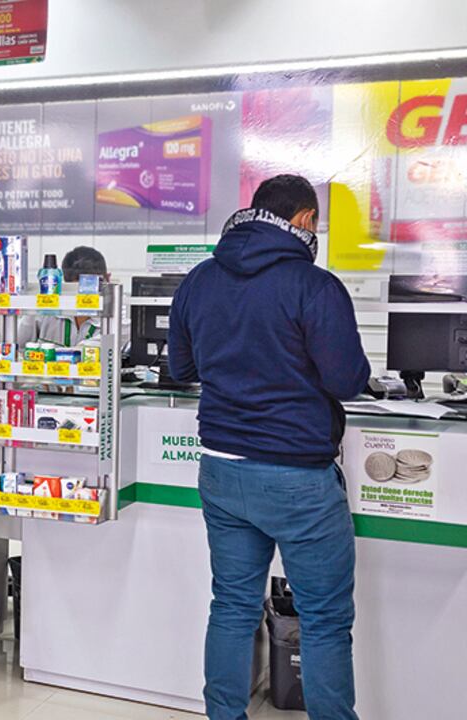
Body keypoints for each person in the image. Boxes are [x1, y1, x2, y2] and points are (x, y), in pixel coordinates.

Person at [168, 174, 370, 720]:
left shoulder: (198, 280)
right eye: (316, 223)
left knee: (232, 606)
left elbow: (180, 369)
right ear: (303, 220)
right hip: (298, 478)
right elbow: (347, 379)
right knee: (324, 617)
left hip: (222, 471)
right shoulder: (314, 286)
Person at [33, 245, 109, 346]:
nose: (86, 299)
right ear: (65, 285)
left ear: (107, 280)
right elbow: (17, 346)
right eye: (79, 291)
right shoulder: (46, 312)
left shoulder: (115, 320)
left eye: (90, 288)